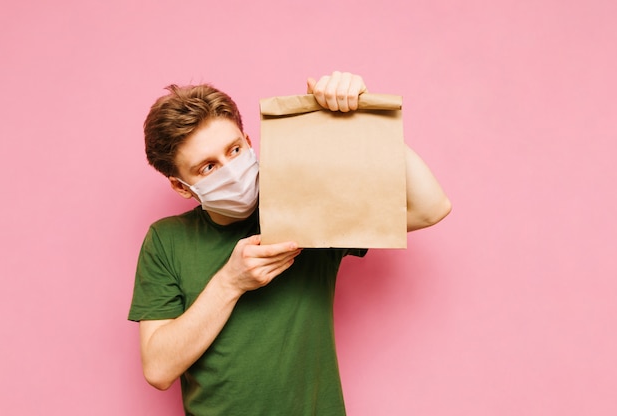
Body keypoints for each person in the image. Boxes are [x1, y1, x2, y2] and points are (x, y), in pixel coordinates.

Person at [128, 71, 451, 415]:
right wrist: (230, 282)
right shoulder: (166, 240)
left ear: (250, 142)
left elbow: (430, 207)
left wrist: (362, 117)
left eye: (235, 150)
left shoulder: (306, 206)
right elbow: (159, 370)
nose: (232, 171)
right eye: (208, 167)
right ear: (181, 187)